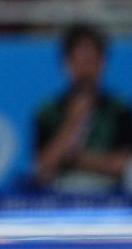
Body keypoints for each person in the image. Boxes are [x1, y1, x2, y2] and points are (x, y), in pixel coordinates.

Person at [34, 24, 132, 195]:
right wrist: (73, 121)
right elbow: (43, 167)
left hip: (110, 195)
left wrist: (76, 159)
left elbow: (123, 164)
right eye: (80, 61)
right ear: (67, 63)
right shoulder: (49, 111)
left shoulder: (119, 110)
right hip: (61, 195)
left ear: (103, 62)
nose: (86, 69)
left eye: (91, 61)